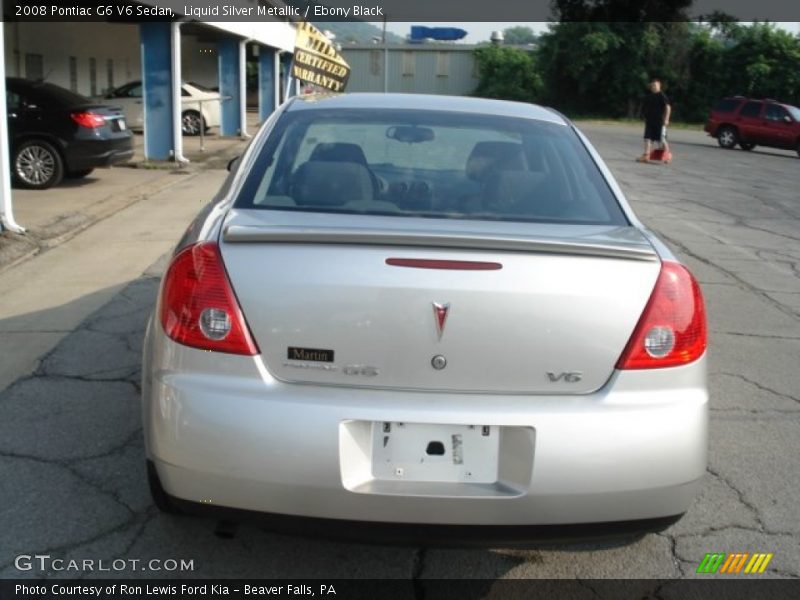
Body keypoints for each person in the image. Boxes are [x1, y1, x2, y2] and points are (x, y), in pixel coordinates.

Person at [638, 78, 671, 163]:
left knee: (662, 139)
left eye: (655, 85)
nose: (653, 87)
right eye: (652, 85)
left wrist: (666, 119)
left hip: (659, 122)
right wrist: (644, 116)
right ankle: (646, 155)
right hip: (650, 121)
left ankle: (668, 155)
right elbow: (646, 108)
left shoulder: (662, 96)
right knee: (647, 138)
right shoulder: (649, 96)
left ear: (659, 85)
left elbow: (668, 107)